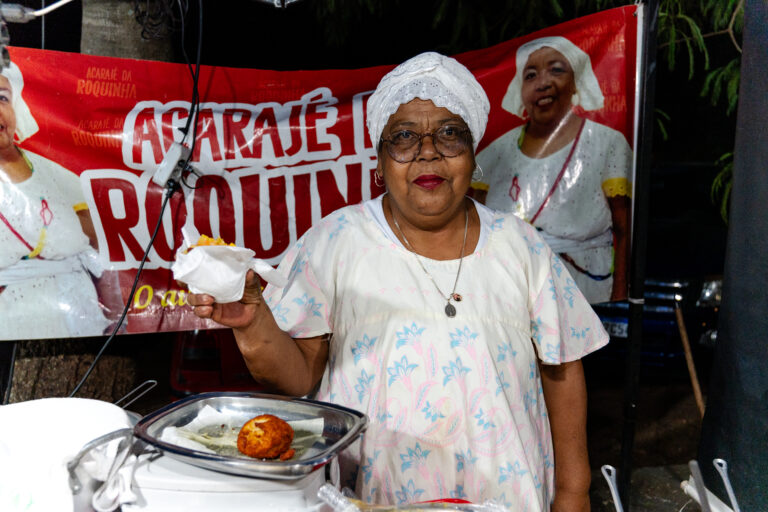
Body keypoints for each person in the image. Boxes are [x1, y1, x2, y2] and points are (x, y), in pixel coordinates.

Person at [188, 52, 608, 511]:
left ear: (472, 154)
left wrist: (573, 491)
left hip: (507, 494)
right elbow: (298, 375)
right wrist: (252, 325)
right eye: (404, 137)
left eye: (450, 134)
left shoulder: (521, 246)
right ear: (379, 160)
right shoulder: (337, 240)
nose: (427, 152)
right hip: (375, 497)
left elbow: (562, 370)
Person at [475, 36, 633, 304]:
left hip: (586, 291)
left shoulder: (608, 143)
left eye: (556, 70)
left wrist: (618, 299)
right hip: (511, 293)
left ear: (575, 83)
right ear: (520, 89)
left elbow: (625, 229)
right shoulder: (493, 155)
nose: (543, 82)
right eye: (531, 75)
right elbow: (475, 235)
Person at [0, 62, 116, 339]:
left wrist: (115, 317)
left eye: (2, 97)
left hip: (77, 315)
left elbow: (100, 250)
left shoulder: (54, 172)